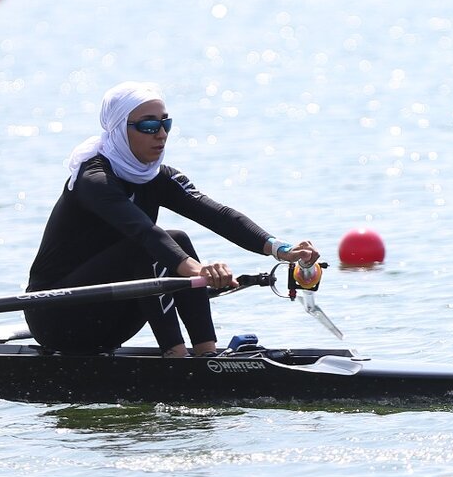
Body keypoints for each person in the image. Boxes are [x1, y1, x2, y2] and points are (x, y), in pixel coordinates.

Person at [25, 81, 320, 357]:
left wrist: (281, 249)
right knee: (151, 245)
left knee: (178, 239)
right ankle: (178, 361)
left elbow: (219, 215)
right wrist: (199, 270)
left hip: (114, 317)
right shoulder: (95, 179)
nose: (161, 133)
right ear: (118, 129)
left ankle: (206, 354)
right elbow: (144, 233)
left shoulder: (159, 177)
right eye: (149, 125)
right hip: (57, 315)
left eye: (165, 123)